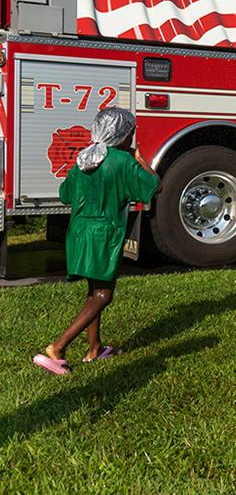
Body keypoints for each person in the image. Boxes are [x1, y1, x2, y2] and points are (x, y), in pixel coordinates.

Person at [32, 108, 160, 375]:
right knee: (104, 294)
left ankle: (95, 349)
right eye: (131, 132)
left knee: (93, 292)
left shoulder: (83, 159)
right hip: (104, 235)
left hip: (79, 233)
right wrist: (139, 159)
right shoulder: (122, 161)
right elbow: (153, 186)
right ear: (123, 135)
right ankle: (58, 348)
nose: (132, 136)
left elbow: (65, 194)